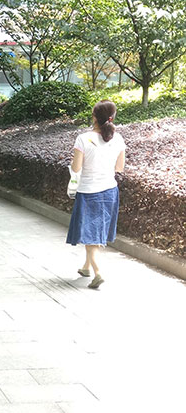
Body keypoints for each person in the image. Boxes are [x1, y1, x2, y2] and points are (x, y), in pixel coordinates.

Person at [66, 99, 125, 289]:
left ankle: (98, 272)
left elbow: (76, 168)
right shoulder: (118, 139)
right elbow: (120, 168)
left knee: (91, 233)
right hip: (110, 191)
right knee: (96, 230)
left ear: (94, 117)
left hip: (89, 192)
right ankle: (86, 267)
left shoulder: (84, 139)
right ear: (112, 117)